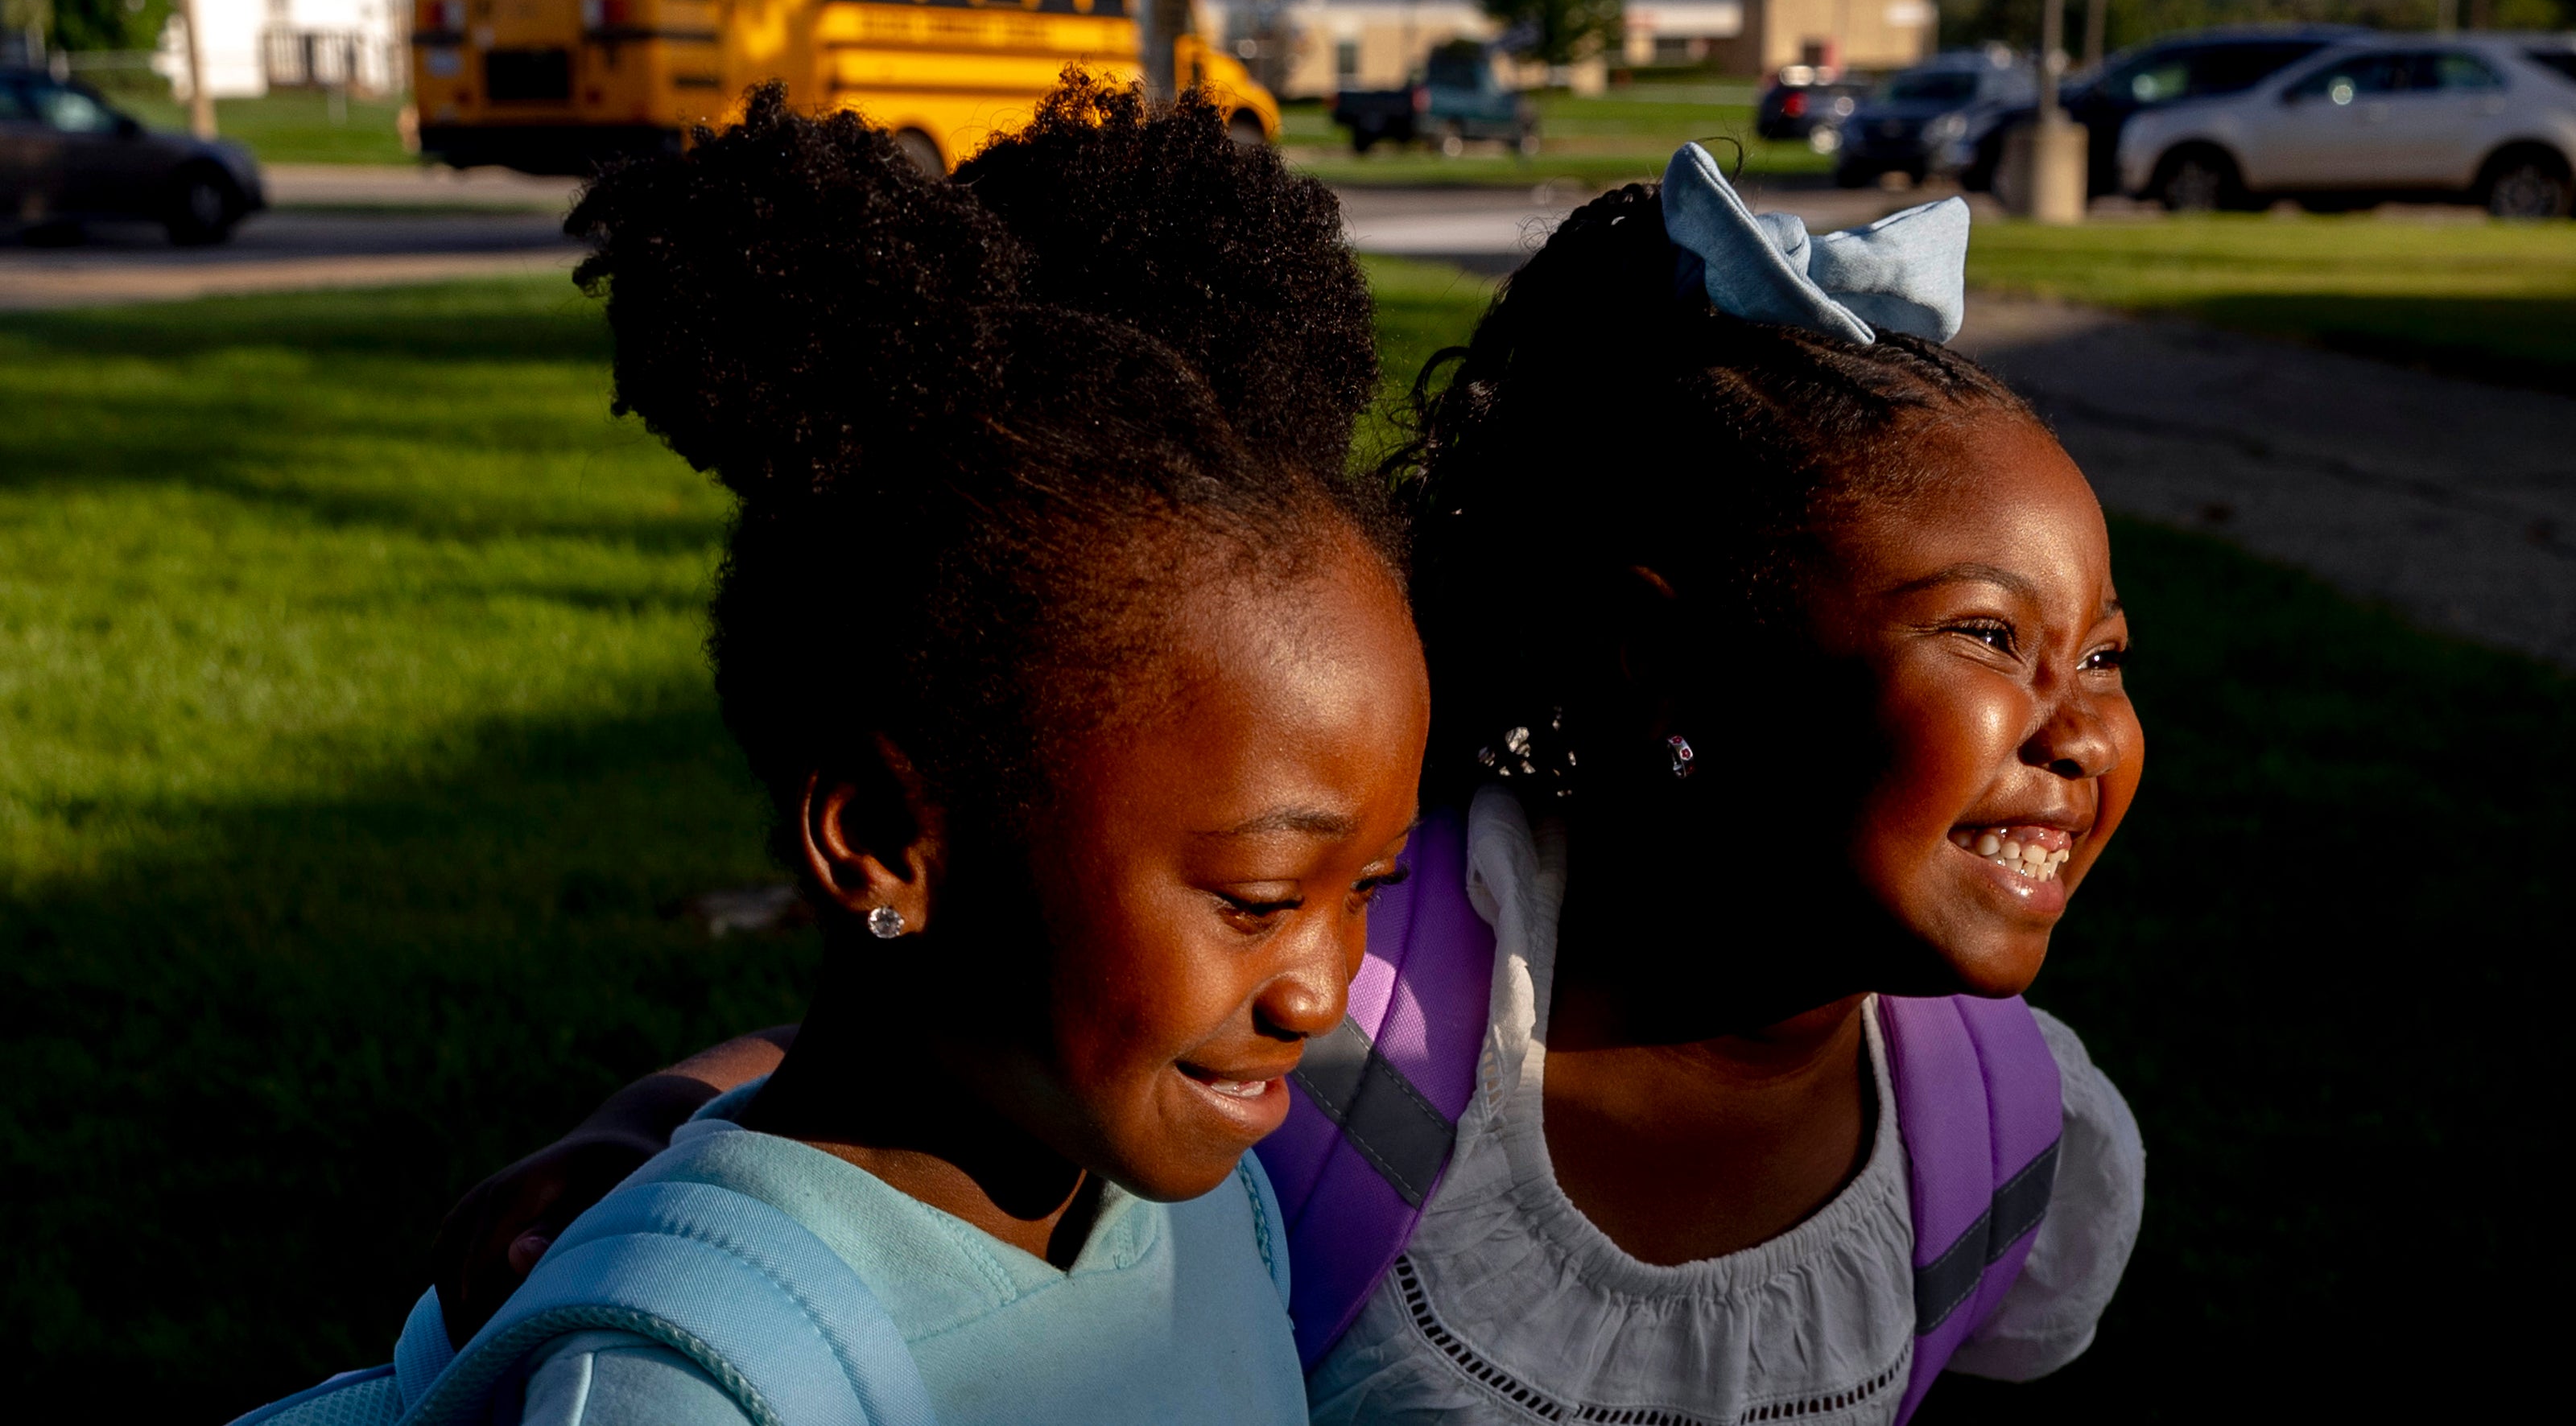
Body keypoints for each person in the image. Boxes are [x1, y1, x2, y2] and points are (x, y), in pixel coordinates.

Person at [439, 142, 2145, 1425]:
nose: (2075, 722)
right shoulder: (1353, 1081)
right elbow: (970, 1024)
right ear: (1660, 670)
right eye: (1992, 638)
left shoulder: (1997, 1137)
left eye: (2109, 654)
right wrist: (659, 1122)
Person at [245, 80, 1432, 1426]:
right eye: (1260, 903)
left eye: (1370, 888)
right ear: (880, 840)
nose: (1323, 993)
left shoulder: (1197, 1214)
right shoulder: (688, 1382)